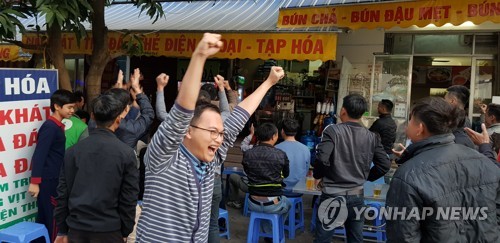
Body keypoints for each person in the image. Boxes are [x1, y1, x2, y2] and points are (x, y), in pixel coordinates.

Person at [136, 33, 285, 242]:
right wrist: (199, 57)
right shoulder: (163, 157)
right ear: (188, 130)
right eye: (212, 132)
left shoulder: (213, 158)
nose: (218, 139)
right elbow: (180, 114)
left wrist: (269, 83)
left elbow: (240, 116)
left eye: (221, 134)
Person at [386, 97, 500, 242]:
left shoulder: (408, 175)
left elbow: (403, 236)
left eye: (410, 120)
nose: (407, 125)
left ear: (420, 128)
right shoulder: (483, 161)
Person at [54, 94, 139, 243]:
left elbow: (63, 193)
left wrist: (62, 228)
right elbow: (129, 197)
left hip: (77, 229)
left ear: (92, 117)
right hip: (109, 231)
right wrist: (125, 230)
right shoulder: (126, 154)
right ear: (119, 119)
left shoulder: (73, 152)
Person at [313, 94, 390, 243]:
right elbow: (384, 165)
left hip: (332, 195)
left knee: (323, 239)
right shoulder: (371, 136)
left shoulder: (332, 131)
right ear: (362, 114)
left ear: (343, 111)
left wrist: (319, 175)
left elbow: (322, 158)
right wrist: (365, 176)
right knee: (355, 239)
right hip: (357, 195)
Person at [28, 89, 76, 242]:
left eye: (73, 107)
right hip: (49, 181)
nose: (72, 111)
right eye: (69, 107)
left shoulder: (56, 126)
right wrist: (35, 182)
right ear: (57, 106)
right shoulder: (50, 127)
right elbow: (39, 154)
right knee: (52, 218)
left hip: (54, 178)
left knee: (46, 218)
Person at [243, 122, 291, 235]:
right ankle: (273, 232)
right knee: (288, 204)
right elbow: (286, 174)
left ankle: (268, 231)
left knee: (265, 208)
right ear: (274, 136)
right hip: (274, 204)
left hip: (252, 203)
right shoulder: (280, 154)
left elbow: (247, 172)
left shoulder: (248, 154)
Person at [275, 118, 310, 191]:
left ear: (282, 131)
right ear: (296, 132)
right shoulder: (305, 149)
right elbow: (306, 170)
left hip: (280, 189)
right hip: (299, 189)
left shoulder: (276, 148)